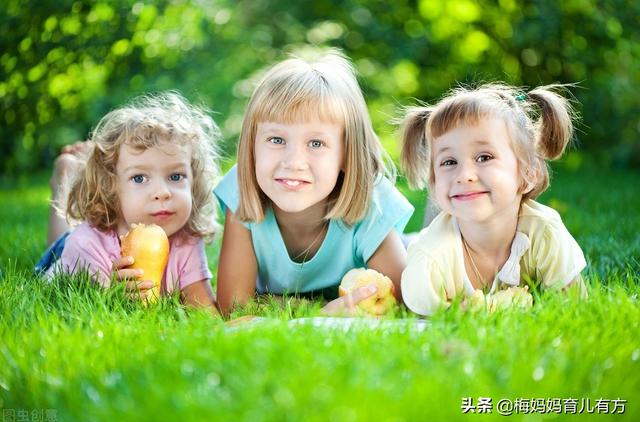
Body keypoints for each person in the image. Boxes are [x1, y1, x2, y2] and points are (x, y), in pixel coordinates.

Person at [214, 50, 414, 316]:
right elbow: (234, 306)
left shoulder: (371, 202)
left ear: (346, 154)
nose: (294, 161)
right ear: (252, 146)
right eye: (276, 140)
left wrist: (272, 304)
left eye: (316, 143)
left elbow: (403, 303)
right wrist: (321, 310)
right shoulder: (241, 191)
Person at [399, 84, 587, 316]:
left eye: (484, 157)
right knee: (406, 244)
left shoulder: (545, 233)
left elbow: (574, 308)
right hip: (413, 245)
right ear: (434, 182)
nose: (464, 175)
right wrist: (456, 313)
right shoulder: (430, 257)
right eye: (449, 162)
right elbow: (420, 317)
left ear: (529, 173)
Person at [36, 92, 220, 315]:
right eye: (139, 178)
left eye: (175, 176)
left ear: (194, 181)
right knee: (59, 239)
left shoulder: (186, 239)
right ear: (111, 186)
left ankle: (73, 170)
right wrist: (115, 293)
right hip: (68, 252)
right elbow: (88, 312)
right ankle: (64, 175)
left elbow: (204, 309)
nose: (162, 193)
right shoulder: (85, 244)